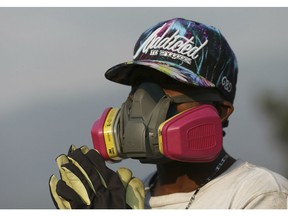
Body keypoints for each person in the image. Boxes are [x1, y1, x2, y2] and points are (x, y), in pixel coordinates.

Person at [49, 17, 288, 209]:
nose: (143, 102)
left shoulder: (259, 194)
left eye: (172, 86)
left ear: (221, 112)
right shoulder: (127, 196)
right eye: (141, 85)